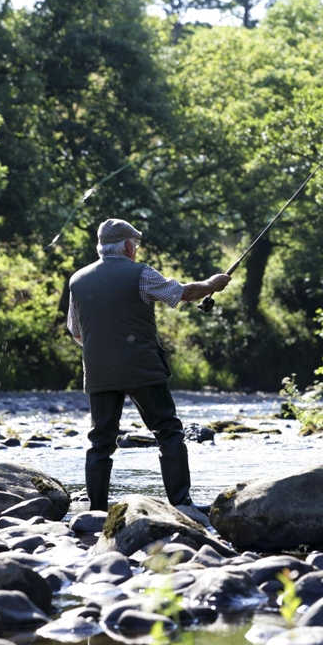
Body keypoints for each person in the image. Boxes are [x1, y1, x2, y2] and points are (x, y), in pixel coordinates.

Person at [67, 218, 231, 511]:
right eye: (136, 244)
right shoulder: (140, 273)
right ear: (129, 245)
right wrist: (211, 284)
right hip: (142, 367)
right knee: (167, 431)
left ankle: (96, 510)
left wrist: (104, 352)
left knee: (101, 440)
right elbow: (183, 293)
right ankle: (181, 503)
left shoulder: (77, 280)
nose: (137, 249)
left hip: (99, 371)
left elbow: (76, 331)